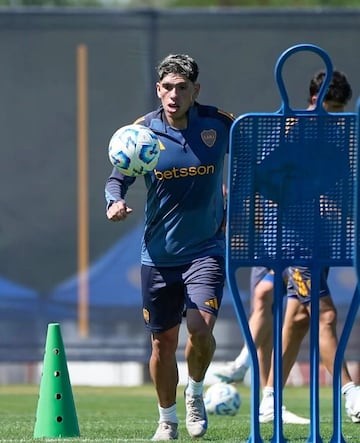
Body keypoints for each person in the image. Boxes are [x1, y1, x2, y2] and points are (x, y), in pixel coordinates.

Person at [216, 69, 360, 424]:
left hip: (317, 242)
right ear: (313, 101)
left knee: (296, 320)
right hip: (286, 241)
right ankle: (351, 393)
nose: (334, 118)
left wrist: (339, 209)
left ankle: (269, 396)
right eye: (328, 108)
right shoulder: (286, 131)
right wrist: (237, 211)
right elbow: (257, 179)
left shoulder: (337, 140)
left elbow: (341, 188)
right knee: (320, 312)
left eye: (339, 111)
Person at [105, 53, 234, 440]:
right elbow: (117, 179)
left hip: (206, 249)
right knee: (162, 343)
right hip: (159, 255)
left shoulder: (218, 123)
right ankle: (167, 419)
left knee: (199, 328)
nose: (173, 95)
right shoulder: (140, 133)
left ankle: (195, 392)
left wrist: (236, 197)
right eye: (167, 88)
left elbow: (254, 156)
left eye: (182, 88)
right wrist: (114, 201)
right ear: (158, 90)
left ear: (195, 90)